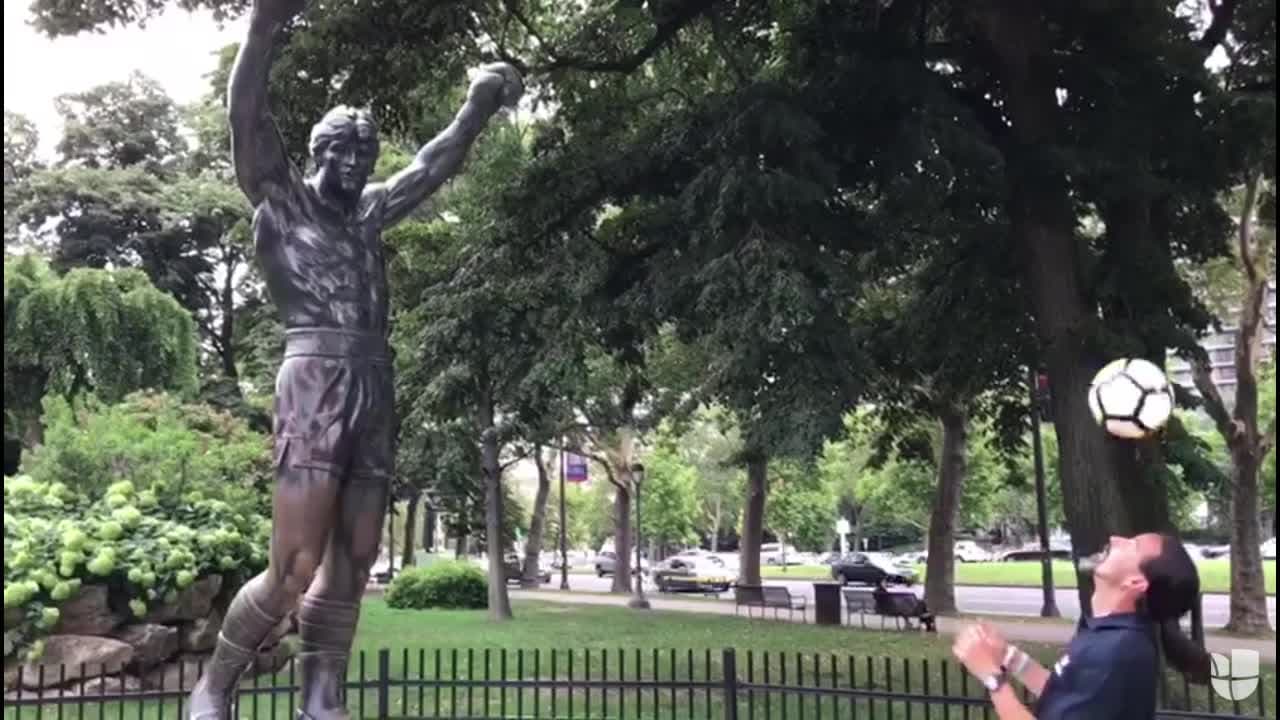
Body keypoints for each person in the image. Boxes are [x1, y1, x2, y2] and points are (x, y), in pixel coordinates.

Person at [185, 0, 523, 717]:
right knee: (294, 565)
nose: (354, 164)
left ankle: (322, 696)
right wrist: (264, 28)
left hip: (375, 376)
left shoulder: (370, 213)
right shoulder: (279, 202)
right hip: (313, 376)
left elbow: (431, 167)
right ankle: (215, 686)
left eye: (364, 154)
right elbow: (247, 118)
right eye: (341, 151)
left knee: (355, 558)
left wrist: (477, 105)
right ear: (316, 152)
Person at [951, 533, 1211, 719]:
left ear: (1135, 583)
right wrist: (1008, 656)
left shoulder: (1117, 651)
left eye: (1131, 546)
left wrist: (993, 679)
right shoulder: (1106, 631)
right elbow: (1065, 693)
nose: (1115, 538)